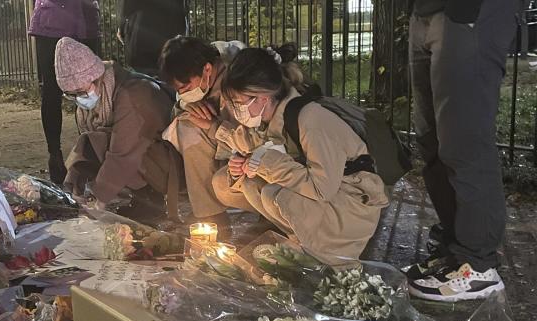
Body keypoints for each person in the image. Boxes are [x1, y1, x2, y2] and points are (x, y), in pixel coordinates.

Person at [210, 47, 389, 266]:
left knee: (272, 193)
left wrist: (265, 163)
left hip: (352, 203)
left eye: (239, 103)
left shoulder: (311, 119)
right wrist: (245, 164)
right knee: (248, 183)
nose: (236, 110)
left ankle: (331, 250)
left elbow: (322, 189)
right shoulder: (271, 115)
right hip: (333, 194)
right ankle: (300, 237)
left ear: (262, 96)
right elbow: (253, 145)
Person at [403, 0, 521, 302]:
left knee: (463, 141)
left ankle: (479, 265)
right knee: (432, 141)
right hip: (426, 12)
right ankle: (456, 252)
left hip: (470, 12)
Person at [54, 38, 181, 221]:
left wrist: (99, 200)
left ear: (96, 77)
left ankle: (150, 202)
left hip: (167, 163)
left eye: (81, 92)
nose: (79, 100)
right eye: (71, 95)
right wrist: (72, 187)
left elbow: (123, 153)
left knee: (113, 144)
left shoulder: (134, 94)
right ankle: (138, 200)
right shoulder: (103, 90)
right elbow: (89, 143)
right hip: (143, 156)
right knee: (92, 141)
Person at [158, 36, 246, 234]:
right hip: (226, 141)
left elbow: (250, 137)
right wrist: (190, 106)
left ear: (207, 69)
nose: (184, 93)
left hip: (258, 150)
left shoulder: (240, 80)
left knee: (192, 130)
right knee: (188, 125)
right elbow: (180, 105)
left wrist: (212, 124)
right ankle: (208, 212)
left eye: (187, 88)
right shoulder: (201, 72)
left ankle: (215, 214)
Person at [29, 0, 100, 185]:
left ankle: (91, 152)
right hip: (55, 20)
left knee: (91, 87)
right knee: (53, 91)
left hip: (83, 19)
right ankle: (56, 155)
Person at [117, 0, 188, 76]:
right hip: (170, 38)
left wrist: (122, 29)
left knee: (142, 82)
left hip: (142, 38)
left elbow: (127, 8)